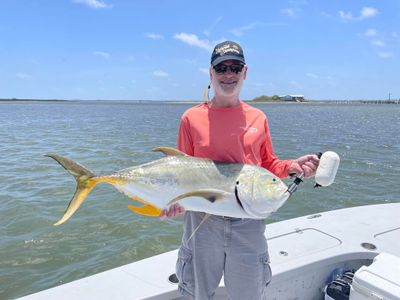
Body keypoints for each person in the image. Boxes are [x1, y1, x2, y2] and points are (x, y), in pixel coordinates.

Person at [160, 41, 319, 299]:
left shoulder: (258, 117)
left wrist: (293, 166)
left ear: (245, 72)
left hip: (249, 221)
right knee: (196, 294)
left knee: (249, 294)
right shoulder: (190, 118)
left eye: (235, 67)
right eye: (221, 68)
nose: (229, 74)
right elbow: (182, 172)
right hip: (201, 221)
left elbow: (266, 165)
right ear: (210, 74)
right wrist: (172, 203)